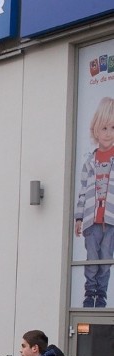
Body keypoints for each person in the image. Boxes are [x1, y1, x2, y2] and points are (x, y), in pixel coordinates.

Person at [74, 96, 114, 308]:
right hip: (91, 220)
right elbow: (82, 192)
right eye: (104, 127)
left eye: (113, 127)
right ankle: (90, 293)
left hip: (110, 220)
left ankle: (102, 294)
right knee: (92, 258)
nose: (108, 133)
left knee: (106, 258)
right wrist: (79, 218)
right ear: (95, 130)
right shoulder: (90, 162)